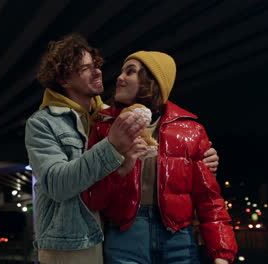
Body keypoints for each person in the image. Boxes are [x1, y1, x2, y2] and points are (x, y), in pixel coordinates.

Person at [25, 33, 220, 264]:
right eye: (85, 68)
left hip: (109, 234)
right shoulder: (43, 123)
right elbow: (57, 185)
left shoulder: (109, 118)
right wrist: (112, 146)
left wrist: (202, 158)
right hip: (70, 243)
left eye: (95, 65)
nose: (98, 71)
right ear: (65, 80)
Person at [81, 51, 237, 264]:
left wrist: (222, 254)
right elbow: (92, 198)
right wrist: (120, 171)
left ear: (152, 82)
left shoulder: (192, 131)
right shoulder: (104, 129)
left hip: (178, 238)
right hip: (125, 236)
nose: (119, 77)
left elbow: (209, 200)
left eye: (130, 72)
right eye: (121, 71)